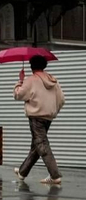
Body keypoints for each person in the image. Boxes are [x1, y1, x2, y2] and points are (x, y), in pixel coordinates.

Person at [15, 56, 66, 185]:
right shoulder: (53, 80)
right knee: (36, 145)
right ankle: (22, 172)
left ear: (31, 66)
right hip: (48, 117)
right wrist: (53, 111)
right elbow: (62, 99)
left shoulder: (31, 80)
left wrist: (20, 81)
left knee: (41, 145)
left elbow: (18, 95)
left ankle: (55, 175)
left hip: (36, 117)